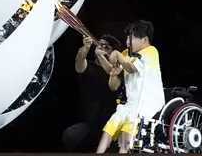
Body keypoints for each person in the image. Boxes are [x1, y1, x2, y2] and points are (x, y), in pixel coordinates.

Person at [96, 20, 165, 153]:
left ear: (144, 40)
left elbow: (131, 68)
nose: (128, 40)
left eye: (132, 37)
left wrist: (116, 54)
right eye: (128, 37)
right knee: (108, 131)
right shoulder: (126, 54)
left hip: (147, 103)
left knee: (125, 139)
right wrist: (102, 57)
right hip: (130, 104)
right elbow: (112, 71)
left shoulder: (151, 51)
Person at [62, 34, 122, 152]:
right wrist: (85, 47)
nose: (100, 47)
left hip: (111, 125)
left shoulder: (118, 71)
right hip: (90, 125)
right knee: (70, 135)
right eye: (99, 44)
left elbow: (113, 79)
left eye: (106, 46)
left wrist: (102, 56)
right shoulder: (89, 66)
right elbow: (79, 62)